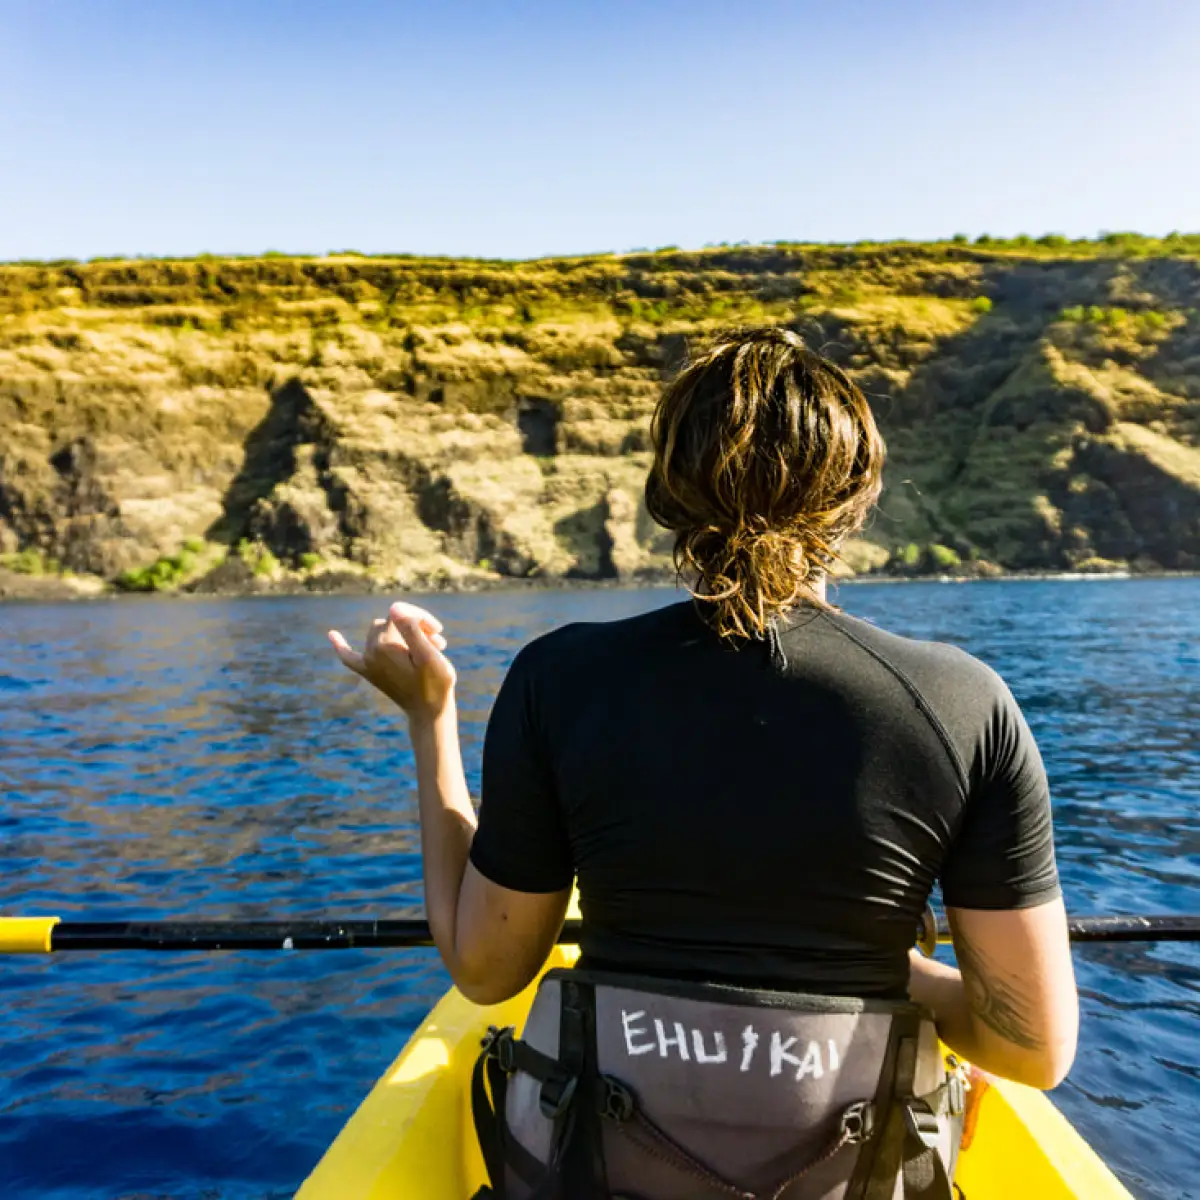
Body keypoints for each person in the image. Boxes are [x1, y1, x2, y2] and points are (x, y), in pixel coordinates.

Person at [330, 327, 1078, 1195]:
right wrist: (895, 971)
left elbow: (487, 967)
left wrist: (430, 717)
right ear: (857, 497)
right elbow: (1032, 1046)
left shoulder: (559, 678)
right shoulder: (962, 703)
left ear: (667, 494)